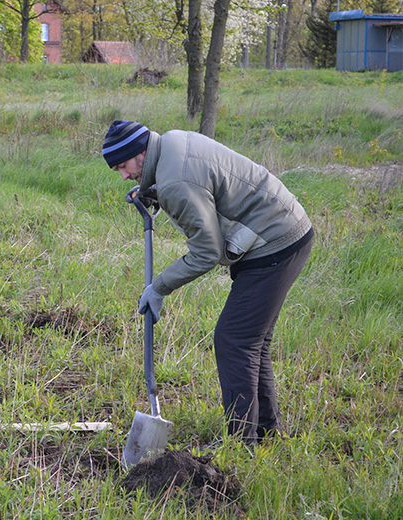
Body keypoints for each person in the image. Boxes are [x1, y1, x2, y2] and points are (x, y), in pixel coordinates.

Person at [103, 120, 313, 446]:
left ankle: (241, 445)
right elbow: (202, 187)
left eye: (124, 165)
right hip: (284, 228)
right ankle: (266, 435)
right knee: (252, 342)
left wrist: (158, 287)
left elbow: (206, 252)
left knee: (234, 340)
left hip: (275, 242)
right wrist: (153, 190)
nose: (124, 175)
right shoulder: (171, 143)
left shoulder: (175, 181)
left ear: (141, 152)